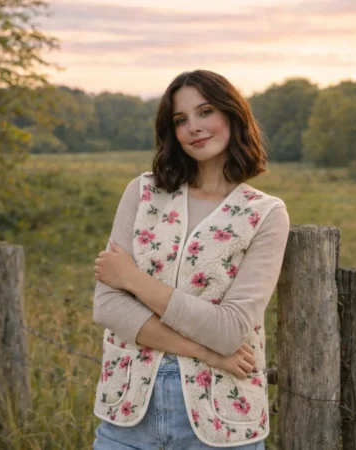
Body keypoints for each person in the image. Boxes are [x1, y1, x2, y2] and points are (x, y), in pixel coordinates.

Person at [92, 69, 290, 449]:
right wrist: (205, 352)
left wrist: (133, 279)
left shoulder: (264, 214)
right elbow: (108, 307)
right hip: (127, 414)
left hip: (221, 422)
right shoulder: (144, 193)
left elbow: (230, 331)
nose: (193, 127)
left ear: (232, 115)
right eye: (180, 120)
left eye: (205, 112)